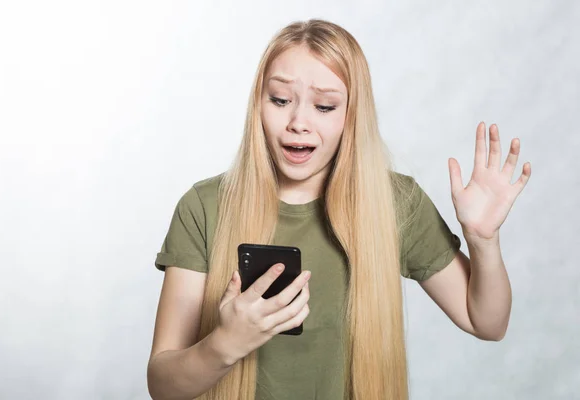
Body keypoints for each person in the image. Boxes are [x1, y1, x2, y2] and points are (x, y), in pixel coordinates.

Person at [146, 19, 531, 400]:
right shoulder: (204, 207)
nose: (299, 122)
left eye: (325, 106)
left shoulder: (395, 202)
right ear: (257, 104)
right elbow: (162, 385)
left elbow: (487, 322)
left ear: (352, 114)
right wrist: (225, 344)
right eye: (280, 100)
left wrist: (483, 241)